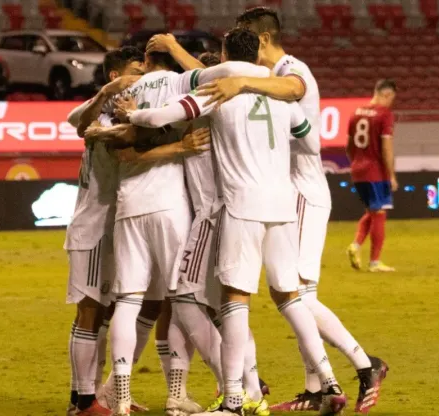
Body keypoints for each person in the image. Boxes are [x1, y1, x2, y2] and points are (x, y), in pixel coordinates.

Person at [153, 7, 389, 414]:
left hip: (296, 189)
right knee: (291, 295)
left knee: (293, 295)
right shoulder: (259, 77)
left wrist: (241, 80)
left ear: (260, 39)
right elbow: (217, 81)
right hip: (285, 190)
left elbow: (292, 90)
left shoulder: (292, 69)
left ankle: (364, 365)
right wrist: (224, 75)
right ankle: (319, 387)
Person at [85, 45, 274, 416]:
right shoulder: (183, 86)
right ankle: (222, 388)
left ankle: (118, 395)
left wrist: (114, 109)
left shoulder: (127, 93)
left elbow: (111, 141)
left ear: (147, 62)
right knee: (187, 300)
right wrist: (178, 145)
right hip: (179, 208)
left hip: (130, 207)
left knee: (130, 301)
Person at [64, 46, 147, 416]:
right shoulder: (99, 116)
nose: (142, 76)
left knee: (106, 314)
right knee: (90, 312)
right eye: (135, 71)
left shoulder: (132, 113)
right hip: (94, 227)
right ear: (116, 76)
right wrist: (104, 96)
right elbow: (76, 121)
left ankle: (89, 395)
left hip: (118, 227)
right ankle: (83, 402)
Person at [345, 79, 399, 273]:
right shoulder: (384, 115)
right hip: (376, 172)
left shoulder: (356, 112)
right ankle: (375, 262)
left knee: (371, 211)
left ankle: (355, 245)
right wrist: (391, 174)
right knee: (380, 214)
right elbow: (386, 147)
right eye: (392, 98)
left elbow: (348, 145)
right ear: (387, 94)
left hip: (358, 170)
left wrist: (356, 162)